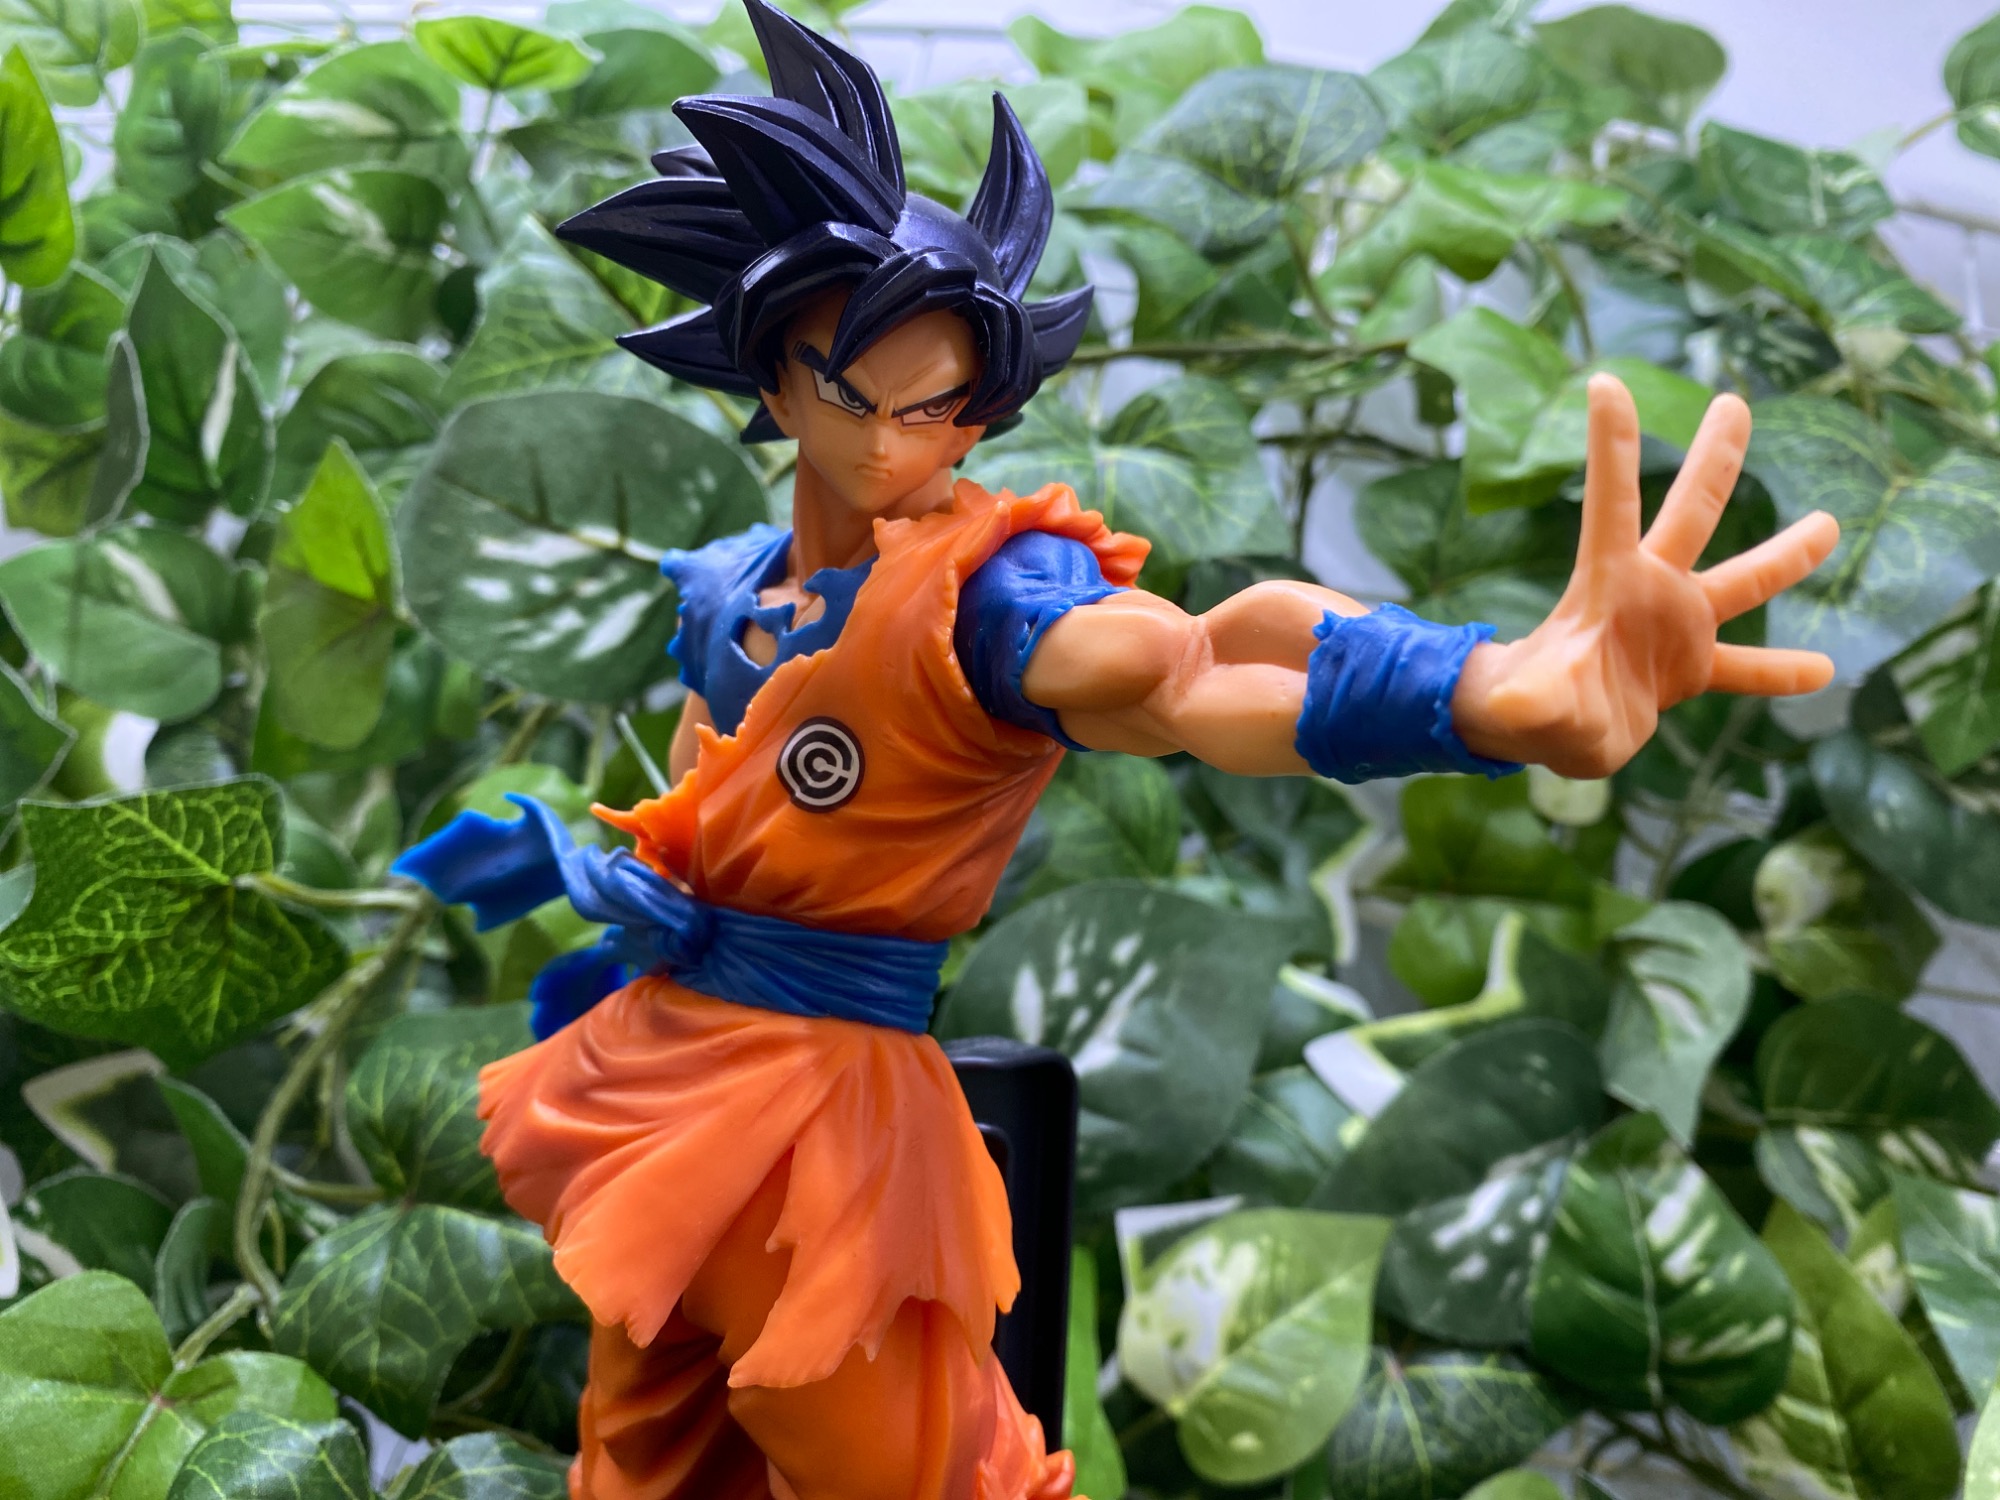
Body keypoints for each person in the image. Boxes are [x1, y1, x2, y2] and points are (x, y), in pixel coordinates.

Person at [392, 4, 1840, 1497]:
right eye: (850, 393)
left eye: (936, 406)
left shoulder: (990, 598)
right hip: (667, 1067)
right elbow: (717, 789)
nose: (892, 441)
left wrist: (1478, 694)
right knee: (650, 1457)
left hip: (818, 1123)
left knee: (908, 1469)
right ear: (773, 383)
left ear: (980, 414)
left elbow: (1192, 670)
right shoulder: (730, 593)